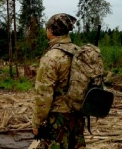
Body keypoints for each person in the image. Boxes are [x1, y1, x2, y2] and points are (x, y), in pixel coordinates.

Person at [32, 13, 86, 149]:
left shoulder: (51, 57)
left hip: (58, 119)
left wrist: (37, 123)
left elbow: (44, 95)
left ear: (50, 31)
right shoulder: (79, 52)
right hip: (78, 115)